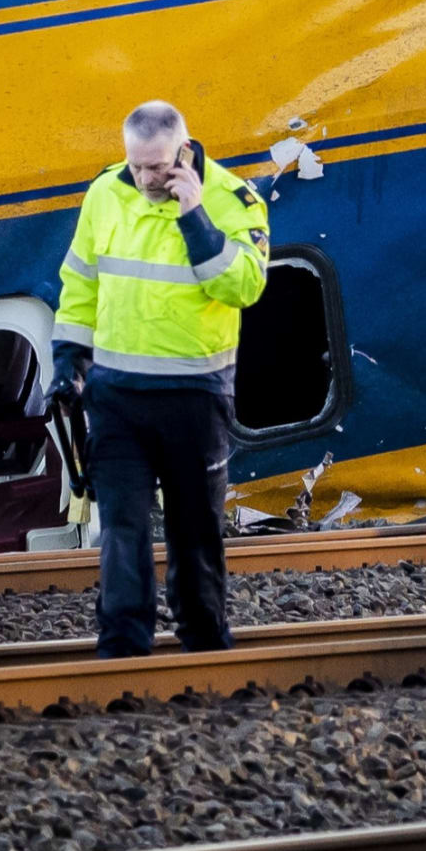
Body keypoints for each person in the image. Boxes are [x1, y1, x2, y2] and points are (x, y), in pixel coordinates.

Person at [50, 99, 268, 657]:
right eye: (137, 166)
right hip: (117, 397)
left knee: (195, 533)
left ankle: (204, 639)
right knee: (122, 530)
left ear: (184, 151)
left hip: (195, 398)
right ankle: (122, 645)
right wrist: (68, 359)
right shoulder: (105, 192)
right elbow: (81, 281)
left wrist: (194, 215)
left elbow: (243, 288)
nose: (147, 179)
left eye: (159, 167)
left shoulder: (232, 199)